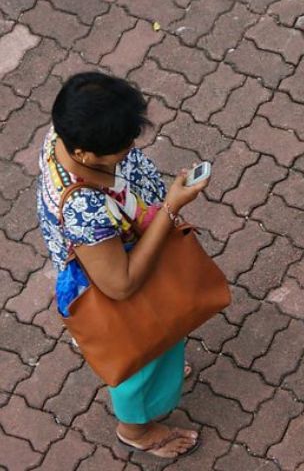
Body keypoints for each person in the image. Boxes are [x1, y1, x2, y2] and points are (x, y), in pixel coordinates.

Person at [35, 71, 208, 460]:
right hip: (118, 273)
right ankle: (136, 429)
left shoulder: (69, 130)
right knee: (138, 351)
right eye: (121, 146)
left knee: (151, 342)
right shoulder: (84, 209)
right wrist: (170, 208)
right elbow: (122, 286)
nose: (130, 148)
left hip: (113, 247)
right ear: (84, 153)